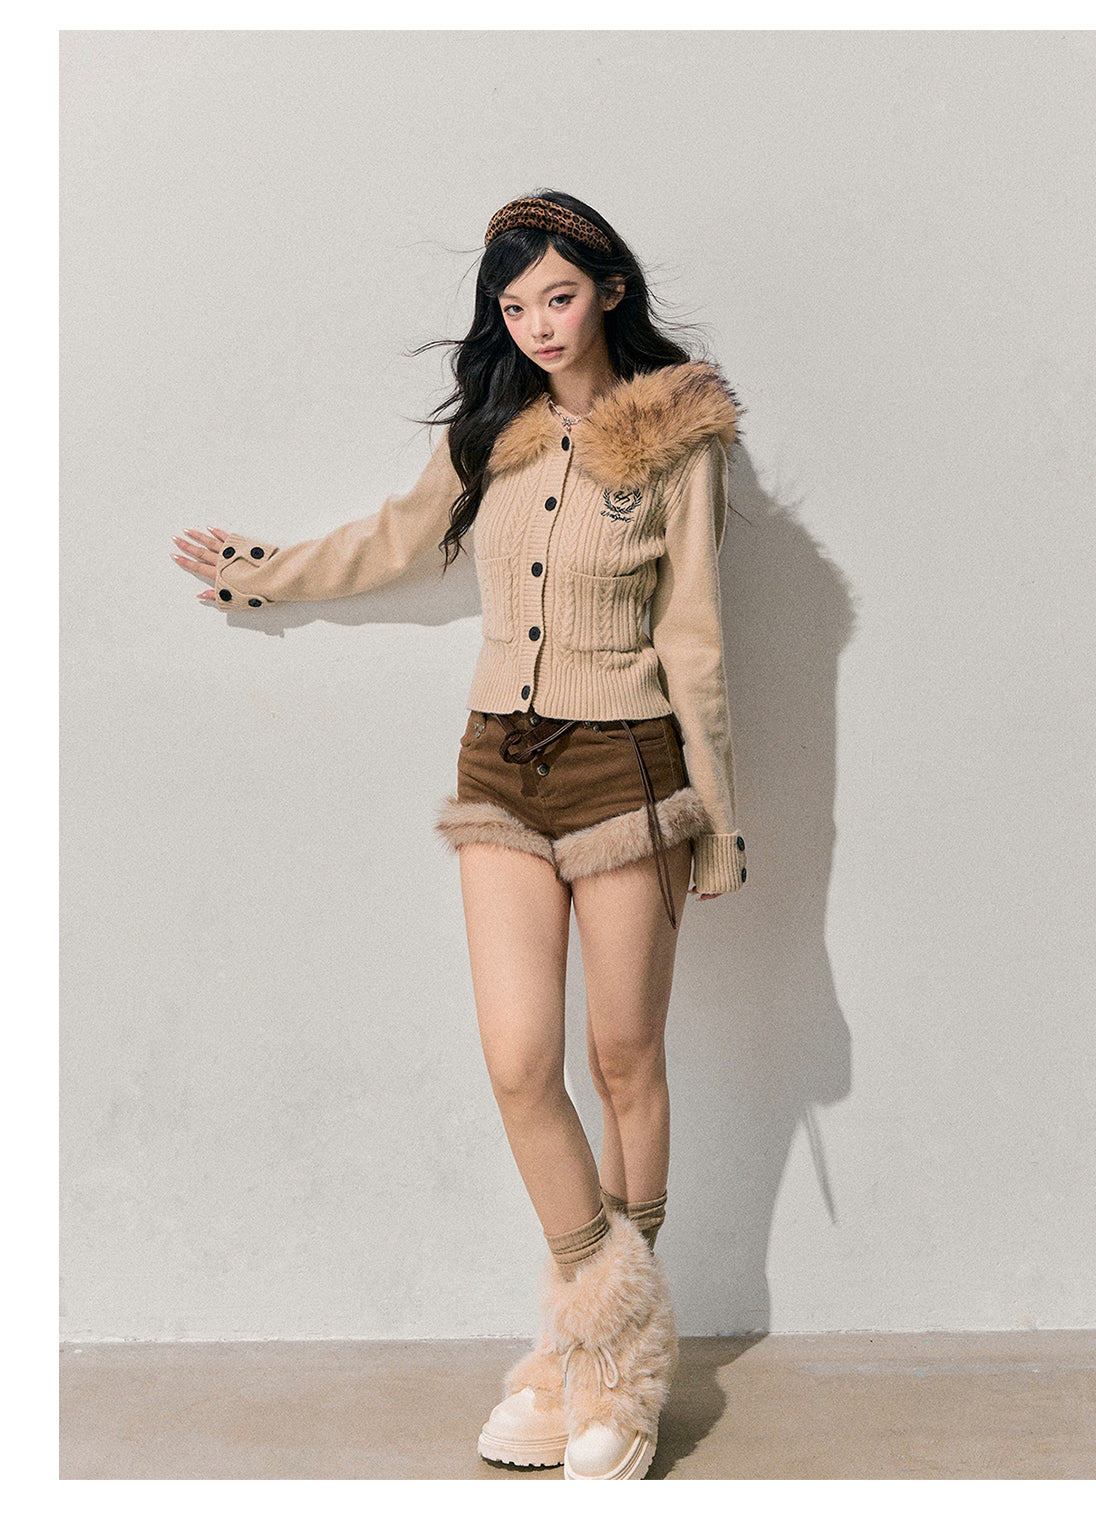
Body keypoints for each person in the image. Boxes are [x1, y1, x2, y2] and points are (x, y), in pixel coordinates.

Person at [171, 189, 748, 1482]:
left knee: (622, 1057)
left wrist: (720, 821)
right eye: (514, 304)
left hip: (627, 767)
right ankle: (601, 1337)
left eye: (559, 295)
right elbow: (393, 536)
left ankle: (606, 1374)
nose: (538, 324)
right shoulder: (493, 433)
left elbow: (697, 636)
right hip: (499, 766)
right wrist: (259, 568)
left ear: (607, 289)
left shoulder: (678, 436)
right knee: (518, 1063)